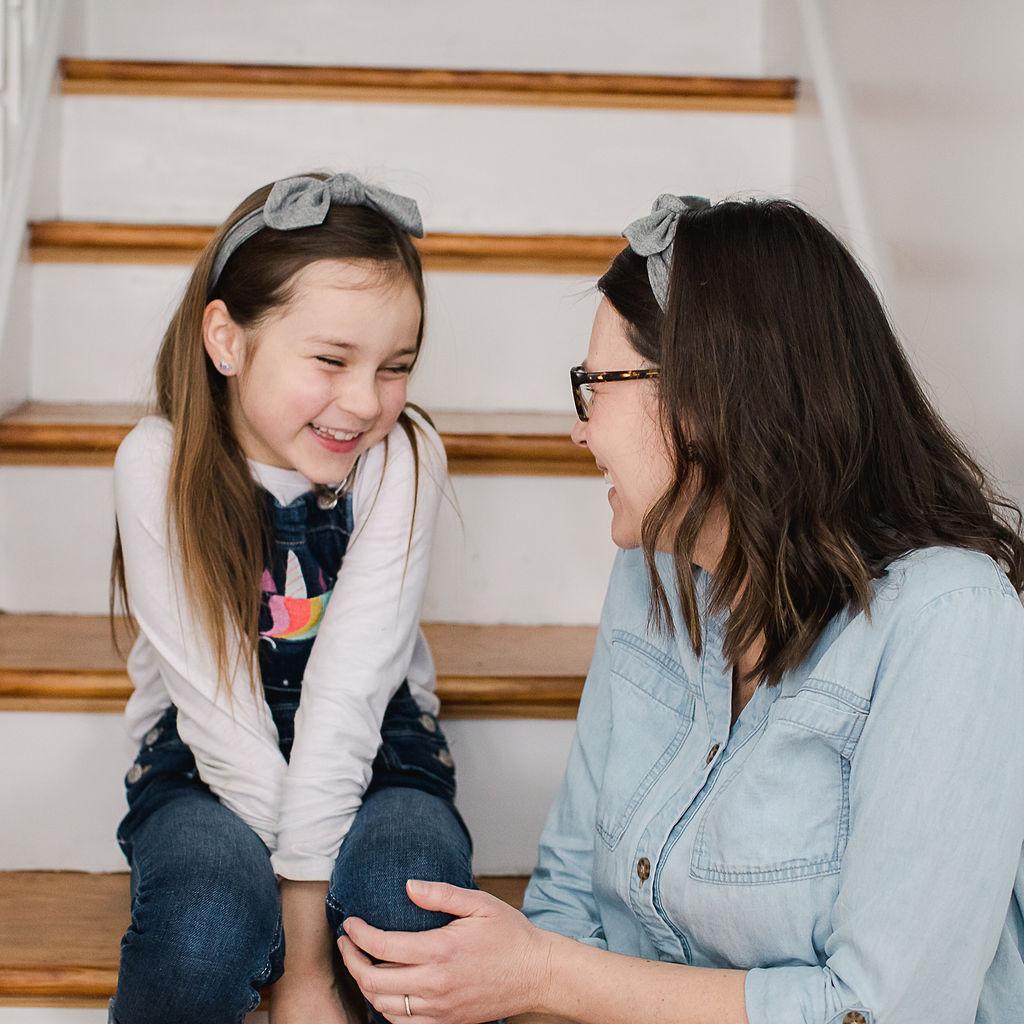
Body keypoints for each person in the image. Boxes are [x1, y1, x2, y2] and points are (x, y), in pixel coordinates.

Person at [337, 195, 1024, 1024]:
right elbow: (568, 900)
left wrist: (547, 977)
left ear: (707, 396)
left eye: (594, 387)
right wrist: (541, 971)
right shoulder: (655, 574)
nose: (578, 433)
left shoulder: (950, 618)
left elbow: (889, 1012)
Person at [109, 171, 474, 1024]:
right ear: (227, 340)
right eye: (331, 360)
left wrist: (305, 954)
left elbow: (350, 698)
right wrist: (301, 962)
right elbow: (223, 719)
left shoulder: (402, 460)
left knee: (407, 898)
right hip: (204, 765)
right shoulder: (157, 464)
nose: (364, 402)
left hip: (381, 753)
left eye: (396, 368)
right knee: (203, 915)